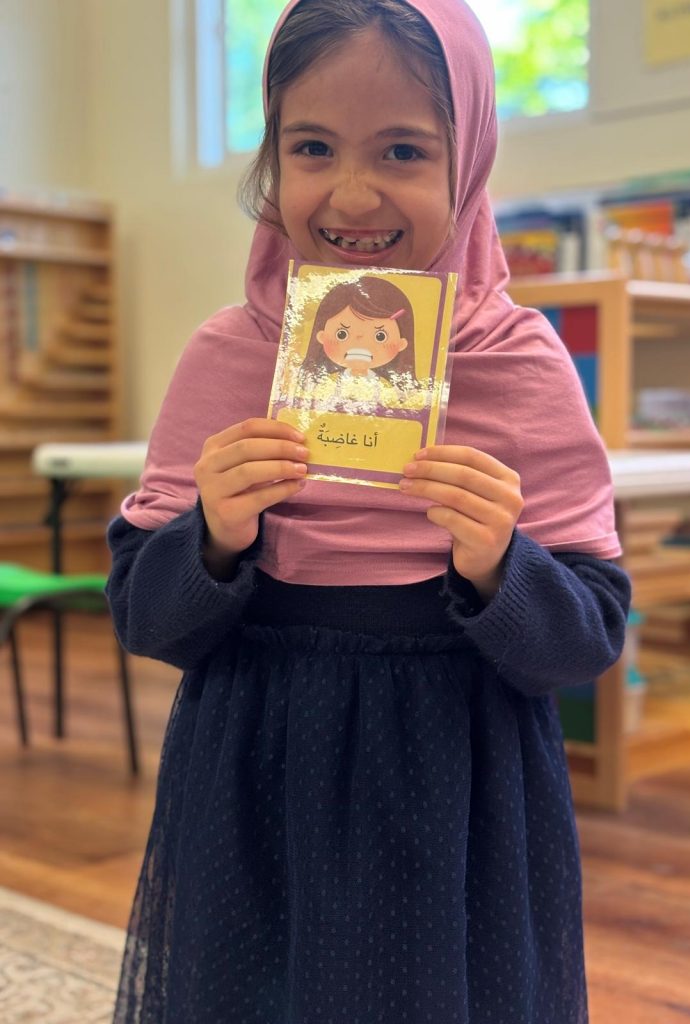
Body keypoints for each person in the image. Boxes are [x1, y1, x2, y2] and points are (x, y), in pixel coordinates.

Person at [107, 1, 631, 1021]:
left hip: (457, 777)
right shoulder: (226, 357)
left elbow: (587, 639)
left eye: (402, 149)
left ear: (469, 159)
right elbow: (144, 616)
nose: (352, 194)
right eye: (311, 147)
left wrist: (500, 566)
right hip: (255, 766)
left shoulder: (521, 363)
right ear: (273, 159)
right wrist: (211, 536)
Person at [290, 274, 424, 414]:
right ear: (322, 336)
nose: (360, 341)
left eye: (380, 336)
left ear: (401, 344)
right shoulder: (323, 386)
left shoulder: (390, 391)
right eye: (342, 334)